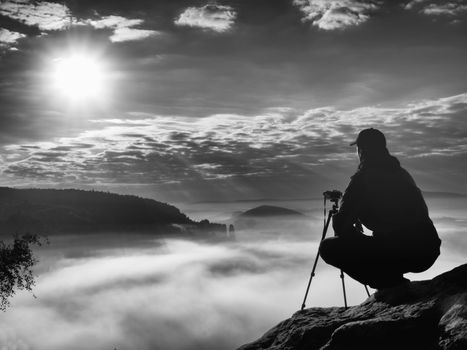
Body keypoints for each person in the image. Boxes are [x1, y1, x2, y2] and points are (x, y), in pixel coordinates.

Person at [319, 128, 441, 290]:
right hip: (427, 250)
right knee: (384, 240)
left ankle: (390, 285)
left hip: (399, 250)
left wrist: (351, 222)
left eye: (358, 149)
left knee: (328, 248)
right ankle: (392, 280)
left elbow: (340, 226)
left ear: (361, 150)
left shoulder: (363, 179)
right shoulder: (401, 173)